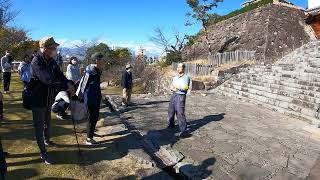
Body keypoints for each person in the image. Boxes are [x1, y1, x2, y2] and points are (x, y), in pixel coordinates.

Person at [30, 37, 74, 164]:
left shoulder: (52, 61)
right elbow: (48, 80)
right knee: (39, 126)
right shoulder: (36, 61)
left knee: (47, 124)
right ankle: (43, 153)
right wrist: (65, 86)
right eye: (52, 48)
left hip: (48, 98)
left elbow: (59, 74)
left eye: (55, 48)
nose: (55, 50)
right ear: (44, 48)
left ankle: (47, 140)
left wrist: (69, 83)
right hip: (37, 100)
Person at [77, 52, 105, 146]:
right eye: (101, 59)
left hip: (96, 96)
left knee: (95, 116)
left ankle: (91, 133)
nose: (103, 61)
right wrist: (80, 96)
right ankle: (89, 138)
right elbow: (83, 83)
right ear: (97, 60)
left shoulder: (98, 69)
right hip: (90, 97)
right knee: (91, 117)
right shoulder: (90, 70)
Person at [167, 63, 191, 138]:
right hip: (174, 95)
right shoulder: (175, 77)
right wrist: (172, 87)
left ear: (183, 69)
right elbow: (172, 85)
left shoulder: (186, 77)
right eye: (177, 67)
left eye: (180, 67)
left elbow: (185, 87)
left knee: (180, 113)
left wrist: (176, 88)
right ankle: (171, 124)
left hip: (181, 96)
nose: (178, 68)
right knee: (171, 110)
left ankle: (184, 131)